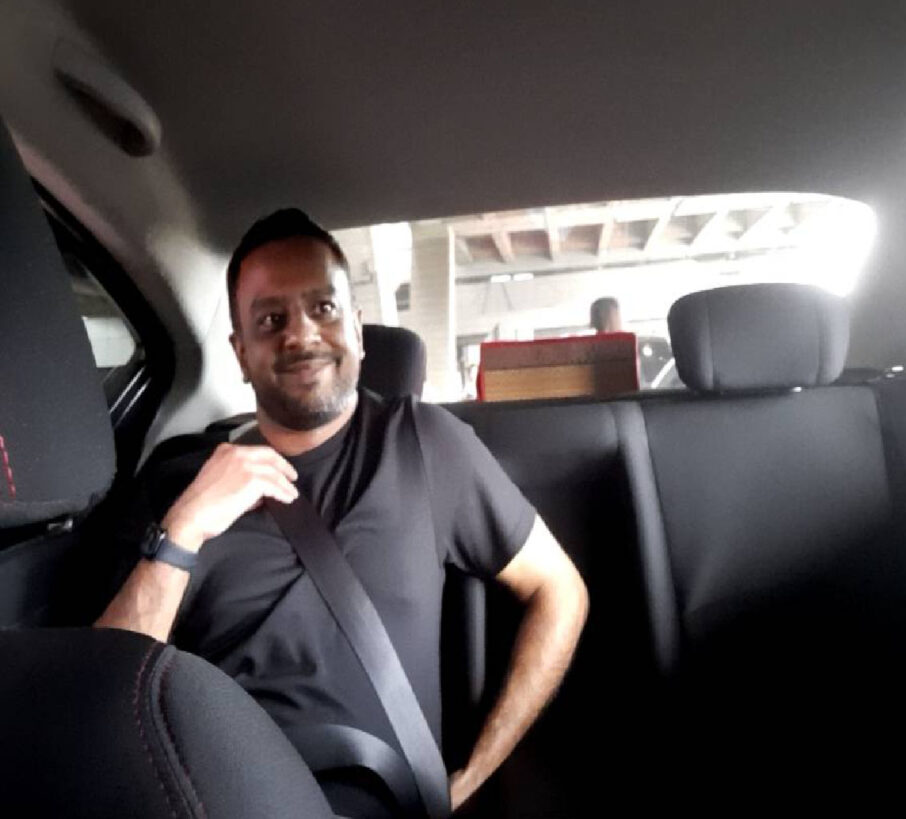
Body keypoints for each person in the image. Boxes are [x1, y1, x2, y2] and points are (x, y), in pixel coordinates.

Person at [96, 208, 589, 817]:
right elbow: (105, 692)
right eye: (271, 320)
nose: (301, 335)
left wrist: (472, 775)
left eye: (323, 308)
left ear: (356, 329)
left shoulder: (425, 444)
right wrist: (185, 529)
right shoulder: (176, 484)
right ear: (241, 353)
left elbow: (559, 590)